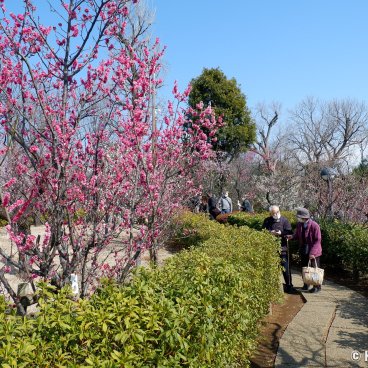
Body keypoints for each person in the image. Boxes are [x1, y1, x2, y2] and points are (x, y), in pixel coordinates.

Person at [287, 207, 322, 293]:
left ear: (304, 217)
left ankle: (317, 286)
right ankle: (306, 284)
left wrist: (313, 253)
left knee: (314, 269)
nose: (298, 218)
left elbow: (317, 240)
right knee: (304, 268)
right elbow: (298, 235)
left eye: (299, 217)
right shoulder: (300, 225)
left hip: (314, 250)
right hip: (304, 248)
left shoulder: (314, 225)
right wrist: (292, 237)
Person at [262, 205, 295, 294]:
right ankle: (273, 287)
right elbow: (262, 231)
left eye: (277, 212)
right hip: (271, 248)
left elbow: (289, 232)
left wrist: (281, 233)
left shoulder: (284, 220)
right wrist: (270, 233)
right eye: (273, 213)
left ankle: (289, 285)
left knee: (285, 268)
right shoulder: (267, 220)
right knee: (273, 268)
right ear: (271, 213)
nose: (276, 214)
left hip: (283, 248)